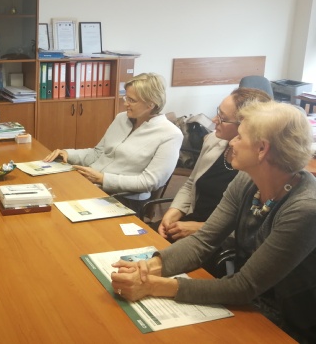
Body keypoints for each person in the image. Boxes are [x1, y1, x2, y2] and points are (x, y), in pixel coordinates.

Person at [111, 101, 316, 342]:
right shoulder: (246, 180)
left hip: (290, 323)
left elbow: (244, 286)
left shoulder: (304, 208)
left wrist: (153, 286)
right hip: (250, 305)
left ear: (262, 149)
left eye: (240, 137)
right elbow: (203, 241)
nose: (232, 143)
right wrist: (148, 267)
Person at [43, 73, 183, 203]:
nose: (125, 103)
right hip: (91, 186)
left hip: (124, 198)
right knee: (47, 192)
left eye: (132, 100)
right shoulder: (121, 118)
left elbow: (151, 182)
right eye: (126, 98)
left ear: (150, 104)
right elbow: (98, 153)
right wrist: (67, 153)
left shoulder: (170, 134)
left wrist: (104, 179)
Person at [158, 88, 271, 241]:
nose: (213, 120)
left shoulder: (259, 166)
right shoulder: (213, 140)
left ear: (246, 125)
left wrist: (200, 228)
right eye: (218, 112)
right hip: (189, 223)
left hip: (222, 240)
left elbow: (252, 229)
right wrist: (173, 212)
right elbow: (191, 184)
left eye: (222, 118)